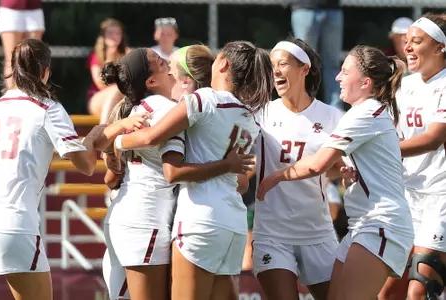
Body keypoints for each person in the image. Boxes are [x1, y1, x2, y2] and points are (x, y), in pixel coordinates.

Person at [95, 41, 273, 300]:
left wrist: (114, 143)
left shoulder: (201, 100)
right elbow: (241, 183)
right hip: (233, 222)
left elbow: (158, 149)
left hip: (198, 219)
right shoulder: (251, 115)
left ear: (222, 64)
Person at [257, 45, 414, 300]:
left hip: (381, 224)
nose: (337, 77)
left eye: (344, 71)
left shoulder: (364, 112)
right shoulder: (363, 112)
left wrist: (275, 177)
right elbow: (336, 165)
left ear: (365, 82)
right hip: (362, 225)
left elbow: (317, 164)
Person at [0, 39, 138, 300]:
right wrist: (96, 136)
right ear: (45, 71)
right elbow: (85, 165)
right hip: (15, 225)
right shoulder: (47, 108)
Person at [252, 38, 343, 300]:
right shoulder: (261, 114)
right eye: (272, 66)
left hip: (318, 231)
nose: (275, 71)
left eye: (282, 64)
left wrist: (345, 172)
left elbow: (333, 168)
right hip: (272, 233)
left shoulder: (331, 116)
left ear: (305, 69)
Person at [378, 13, 446, 300]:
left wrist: (381, 149)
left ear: (441, 47)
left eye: (416, 41)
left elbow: (434, 139)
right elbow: (396, 135)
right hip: (407, 198)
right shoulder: (405, 86)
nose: (407, 47)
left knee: (419, 290)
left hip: (440, 197)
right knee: (386, 293)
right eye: (406, 41)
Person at [289, 0, 343, 110]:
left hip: (333, 8)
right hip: (304, 7)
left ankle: (336, 111)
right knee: (304, 63)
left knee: (333, 64)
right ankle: (304, 107)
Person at [0, 0, 45, 88]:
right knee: (11, 60)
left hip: (34, 8)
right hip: (10, 8)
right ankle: (13, 98)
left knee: (33, 60)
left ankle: (32, 97)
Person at [88, 18, 129, 117]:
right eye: (110, 33)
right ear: (104, 36)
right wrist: (109, 58)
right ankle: (104, 128)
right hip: (98, 100)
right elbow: (100, 84)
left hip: (122, 100)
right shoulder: (96, 55)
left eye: (117, 33)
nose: (114, 36)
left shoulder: (127, 54)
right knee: (116, 89)